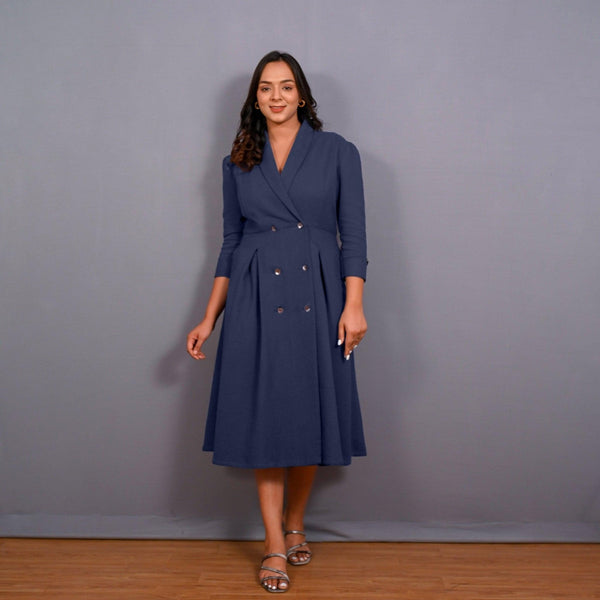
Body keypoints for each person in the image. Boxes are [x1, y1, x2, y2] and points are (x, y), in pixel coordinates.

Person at [186, 50, 368, 593]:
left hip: (318, 291)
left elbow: (352, 236)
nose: (277, 96)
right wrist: (208, 317)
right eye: (266, 87)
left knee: (308, 412)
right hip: (255, 297)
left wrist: (353, 304)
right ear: (255, 98)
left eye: (287, 86)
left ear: (303, 95)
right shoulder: (237, 160)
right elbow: (230, 242)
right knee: (267, 418)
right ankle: (273, 544)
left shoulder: (338, 152)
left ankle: (295, 523)